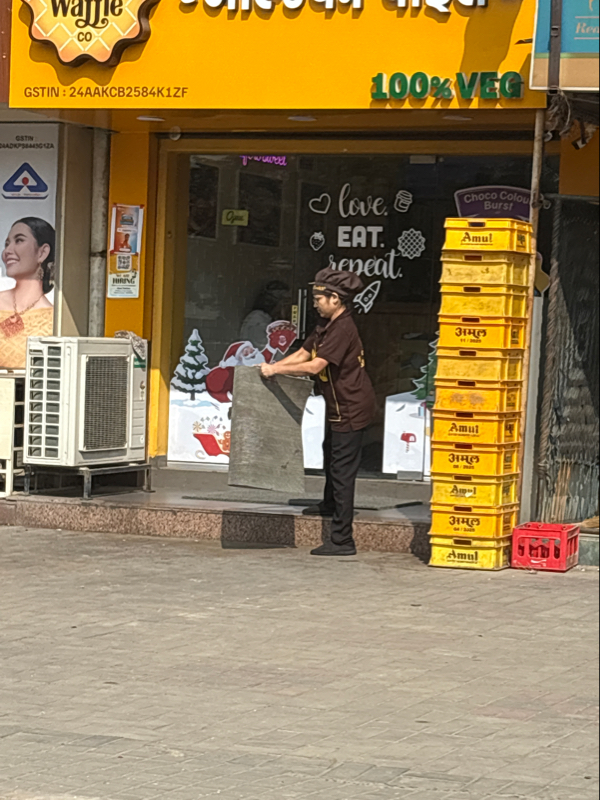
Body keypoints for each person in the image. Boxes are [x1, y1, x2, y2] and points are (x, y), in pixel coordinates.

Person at [260, 267, 377, 557]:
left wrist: (276, 370)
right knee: (330, 454)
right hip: (336, 405)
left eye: (318, 298)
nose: (314, 303)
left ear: (335, 299)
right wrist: (275, 367)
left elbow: (315, 366)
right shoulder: (326, 325)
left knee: (342, 472)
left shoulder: (343, 328)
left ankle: (342, 540)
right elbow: (304, 353)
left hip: (351, 407)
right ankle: (328, 504)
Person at [0, 218, 55, 370]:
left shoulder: (54, 321)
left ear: (42, 252)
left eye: (19, 240)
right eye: (7, 244)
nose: (7, 251)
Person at [240, 281, 290, 349]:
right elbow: (269, 345)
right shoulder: (257, 319)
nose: (288, 307)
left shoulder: (268, 318)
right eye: (285, 302)